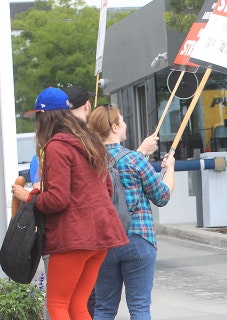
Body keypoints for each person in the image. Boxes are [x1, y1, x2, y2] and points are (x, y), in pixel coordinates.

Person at [11, 87, 129, 319]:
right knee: (78, 306)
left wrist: (31, 197)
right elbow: (107, 188)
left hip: (74, 237)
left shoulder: (56, 147)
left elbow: (57, 199)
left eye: (37, 117)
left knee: (57, 304)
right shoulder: (90, 142)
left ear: (45, 117)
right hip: (101, 236)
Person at [87, 104, 175, 320]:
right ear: (115, 127)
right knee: (139, 308)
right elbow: (161, 196)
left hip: (103, 241)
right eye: (123, 120)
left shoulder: (88, 161)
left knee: (104, 308)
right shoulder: (134, 159)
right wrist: (170, 170)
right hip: (138, 236)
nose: (125, 124)